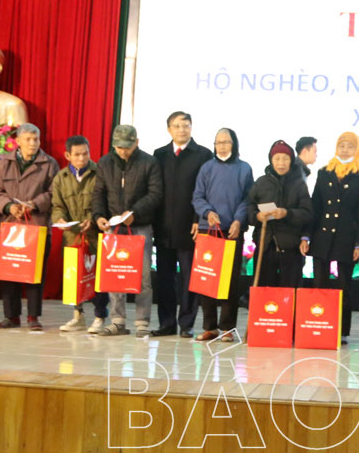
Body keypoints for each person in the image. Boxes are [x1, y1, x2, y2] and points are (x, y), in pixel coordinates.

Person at [92, 124, 163, 338]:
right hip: (114, 227)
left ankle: (142, 322)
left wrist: (135, 212)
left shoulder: (149, 162)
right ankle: (118, 321)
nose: (123, 151)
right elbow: (98, 193)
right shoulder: (105, 162)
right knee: (115, 275)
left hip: (140, 226)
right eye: (119, 147)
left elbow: (155, 194)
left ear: (137, 143)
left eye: (127, 147)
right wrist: (98, 216)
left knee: (143, 277)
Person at [0, 123, 59, 331]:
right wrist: (9, 206)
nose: (32, 143)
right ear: (18, 141)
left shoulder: (49, 164)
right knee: (9, 271)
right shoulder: (5, 162)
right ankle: (11, 316)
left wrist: (35, 204)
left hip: (36, 225)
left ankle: (33, 317)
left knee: (35, 273)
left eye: (36, 139)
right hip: (10, 225)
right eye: (28, 139)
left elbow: (54, 193)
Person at [151, 111, 212, 338]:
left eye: (186, 125)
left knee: (189, 278)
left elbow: (205, 191)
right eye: (177, 126)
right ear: (169, 129)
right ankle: (166, 323)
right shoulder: (159, 155)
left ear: (191, 127)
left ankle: (186, 324)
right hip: (163, 228)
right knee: (164, 279)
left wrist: (198, 219)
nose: (182, 130)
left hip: (190, 227)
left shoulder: (203, 155)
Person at [191, 128, 254, 342]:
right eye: (218, 142)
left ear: (234, 144)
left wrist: (238, 220)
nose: (222, 146)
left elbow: (247, 199)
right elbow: (197, 196)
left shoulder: (244, 169)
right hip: (208, 229)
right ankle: (210, 327)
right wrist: (208, 212)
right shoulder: (206, 168)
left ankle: (227, 327)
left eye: (226, 142)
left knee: (230, 281)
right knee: (206, 279)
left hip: (232, 231)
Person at [306, 132, 359, 344]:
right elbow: (315, 205)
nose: (345, 150)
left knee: (344, 287)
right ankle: (319, 325)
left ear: (357, 150)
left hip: (347, 238)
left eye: (350, 146)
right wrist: (306, 235)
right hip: (322, 236)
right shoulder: (324, 172)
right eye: (342, 145)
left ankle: (340, 331)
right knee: (319, 284)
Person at [50, 135, 109, 333]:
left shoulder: (99, 173)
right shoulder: (61, 178)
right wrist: (60, 219)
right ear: (68, 155)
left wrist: (92, 219)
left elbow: (105, 202)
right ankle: (78, 316)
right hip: (72, 235)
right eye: (77, 155)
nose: (82, 158)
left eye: (85, 154)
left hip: (95, 234)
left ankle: (100, 317)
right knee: (74, 276)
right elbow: (57, 205)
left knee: (98, 277)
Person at [246, 140, 312, 289]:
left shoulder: (299, 184)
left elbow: (307, 213)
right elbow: (249, 205)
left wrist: (287, 214)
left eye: (285, 158)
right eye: (277, 158)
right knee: (265, 292)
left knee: (288, 293)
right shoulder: (261, 182)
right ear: (271, 160)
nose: (281, 163)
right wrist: (256, 216)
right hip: (265, 245)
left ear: (291, 160)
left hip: (291, 248)